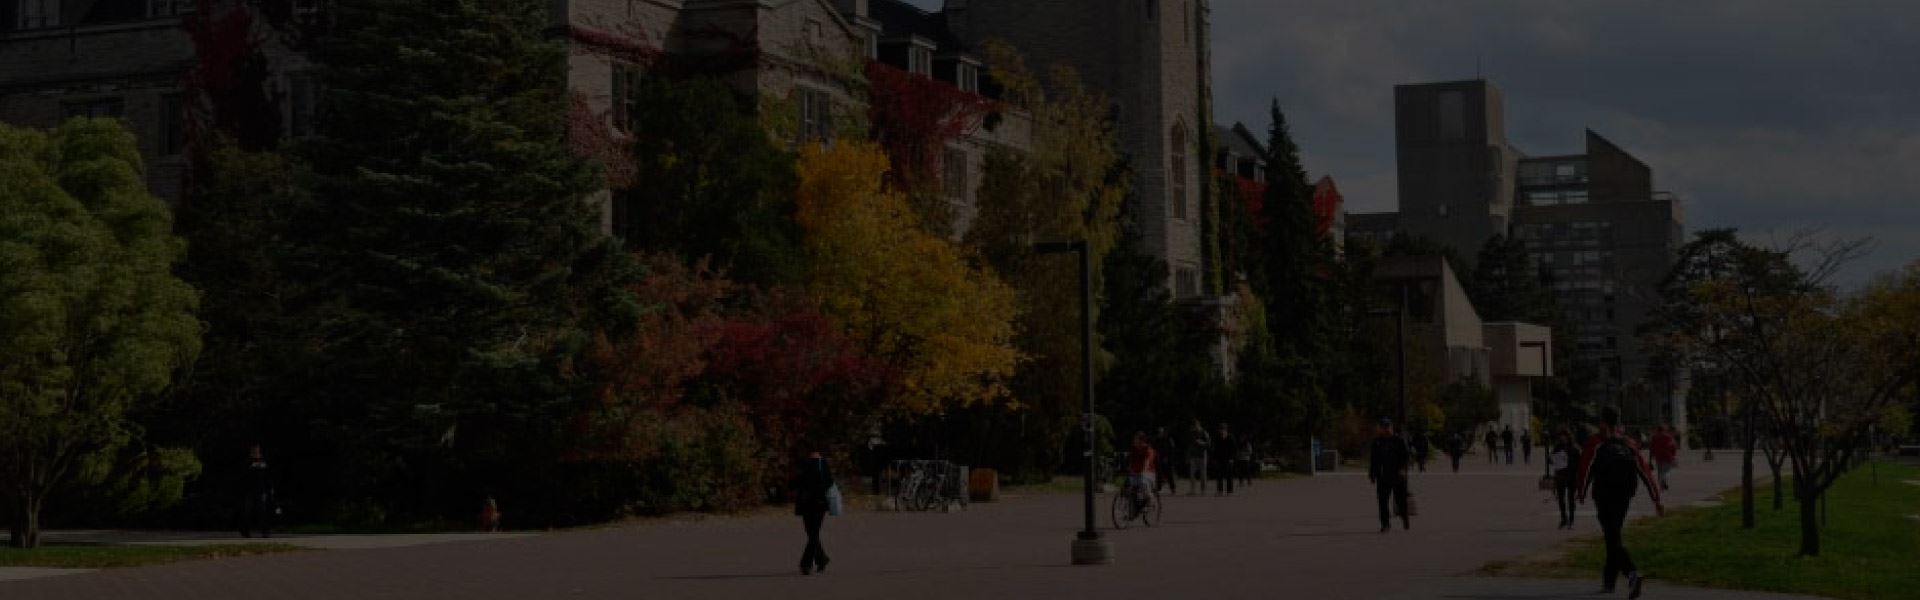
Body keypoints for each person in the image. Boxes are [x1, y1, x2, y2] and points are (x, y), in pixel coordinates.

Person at [1577, 407, 1665, 598]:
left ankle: (1631, 573)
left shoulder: (1596, 443)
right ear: (1617, 422)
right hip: (1623, 497)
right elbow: (1645, 472)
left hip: (1603, 496)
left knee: (1612, 537)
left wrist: (1581, 492)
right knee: (1613, 535)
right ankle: (1609, 582)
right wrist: (1656, 499)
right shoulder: (1628, 443)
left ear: (1602, 422)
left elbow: (1585, 468)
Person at [792, 450, 835, 575]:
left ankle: (806, 563)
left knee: (812, 533)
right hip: (819, 503)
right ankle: (821, 559)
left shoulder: (803, 464)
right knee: (813, 534)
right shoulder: (822, 464)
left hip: (807, 504)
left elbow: (795, 482)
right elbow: (830, 481)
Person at [1369, 419, 1413, 532]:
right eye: (1383, 427)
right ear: (1381, 428)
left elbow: (1406, 456)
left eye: (1388, 426)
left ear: (1392, 428)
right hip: (1383, 476)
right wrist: (1372, 474)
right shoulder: (1377, 442)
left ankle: (1405, 517)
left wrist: (1403, 469)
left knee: (1400, 500)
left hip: (1397, 476)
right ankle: (1385, 524)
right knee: (1382, 501)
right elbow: (1373, 459)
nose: (1386, 429)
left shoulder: (1398, 440)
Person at [1548, 429, 1582, 529]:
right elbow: (1551, 460)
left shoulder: (1575, 448)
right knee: (1561, 499)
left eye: (1564, 436)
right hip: (1561, 476)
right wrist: (1552, 459)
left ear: (1568, 437)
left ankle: (1571, 520)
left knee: (1571, 499)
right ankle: (1564, 518)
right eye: (1560, 436)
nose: (1562, 438)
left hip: (1571, 476)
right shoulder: (1557, 447)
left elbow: (1579, 462)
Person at [239, 445, 275, 538]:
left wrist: (270, 488)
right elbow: (242, 476)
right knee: (247, 511)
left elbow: (269, 476)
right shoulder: (247, 462)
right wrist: (251, 466)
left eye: (257, 451)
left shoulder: (264, 462)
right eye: (253, 451)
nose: (255, 453)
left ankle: (265, 532)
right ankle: (245, 532)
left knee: (263, 511)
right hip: (249, 491)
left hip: (262, 490)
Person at [1126, 432, 1158, 510]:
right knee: (1130, 486)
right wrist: (1130, 469)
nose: (1134, 441)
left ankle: (1151, 501)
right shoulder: (1133, 449)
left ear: (1141, 441)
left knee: (1143, 483)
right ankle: (1134, 507)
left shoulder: (1148, 449)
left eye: (1136, 439)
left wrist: (1144, 470)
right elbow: (1131, 461)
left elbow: (1148, 460)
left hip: (1148, 472)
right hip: (1136, 472)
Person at [1185, 420, 1211, 496]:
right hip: (1193, 456)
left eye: (1194, 426)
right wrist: (1188, 456)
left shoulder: (1204, 432)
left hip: (1202, 456)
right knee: (1192, 474)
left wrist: (1201, 442)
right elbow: (1189, 446)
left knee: (1203, 475)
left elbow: (1209, 444)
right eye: (1192, 427)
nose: (1193, 428)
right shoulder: (1191, 433)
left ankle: (1203, 490)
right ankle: (1193, 490)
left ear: (1198, 425)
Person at [1152, 426, 1180, 495]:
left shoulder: (1168, 439)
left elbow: (1172, 449)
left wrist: (1168, 458)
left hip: (1168, 459)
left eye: (1161, 432)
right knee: (1159, 474)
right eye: (1158, 432)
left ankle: (1173, 488)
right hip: (1159, 459)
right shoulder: (1156, 440)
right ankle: (1158, 488)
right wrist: (1156, 455)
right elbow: (1154, 449)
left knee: (1169, 474)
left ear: (1163, 432)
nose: (1160, 434)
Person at [1650, 425, 1679, 491]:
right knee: (1667, 471)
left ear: (1658, 430)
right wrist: (1674, 456)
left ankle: (1661, 485)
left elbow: (1651, 447)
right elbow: (1673, 446)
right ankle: (1664, 481)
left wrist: (1650, 458)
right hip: (1667, 456)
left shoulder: (1654, 437)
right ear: (1664, 430)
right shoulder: (1668, 437)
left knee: (1660, 471)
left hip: (1658, 456)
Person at [1211, 423, 1236, 496]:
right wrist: (1214, 458)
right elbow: (1215, 449)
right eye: (1220, 429)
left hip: (1229, 459)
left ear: (1226, 430)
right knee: (1219, 475)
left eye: (1223, 429)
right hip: (1219, 459)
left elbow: (1234, 449)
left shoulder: (1231, 437)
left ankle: (1229, 491)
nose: (1221, 431)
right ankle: (1220, 491)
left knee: (1229, 475)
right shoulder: (1217, 438)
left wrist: (1232, 458)